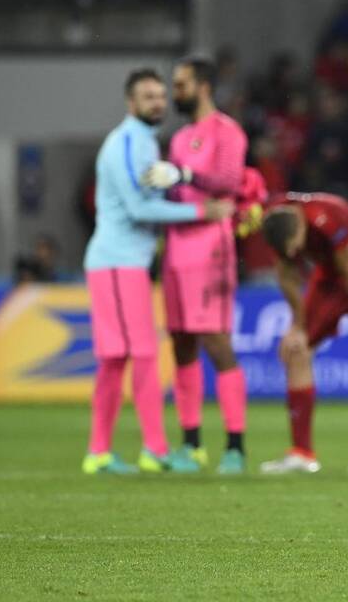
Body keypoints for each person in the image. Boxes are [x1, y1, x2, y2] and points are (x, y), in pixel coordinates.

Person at [82, 68, 234, 474]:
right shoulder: (133, 142)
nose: (158, 103)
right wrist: (203, 210)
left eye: (161, 96)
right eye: (148, 96)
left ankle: (98, 452)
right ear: (130, 102)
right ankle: (155, 449)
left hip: (116, 261)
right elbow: (138, 209)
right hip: (120, 261)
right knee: (144, 354)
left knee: (114, 360)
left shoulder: (138, 141)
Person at [141, 57, 249, 474]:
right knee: (182, 343)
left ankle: (235, 447)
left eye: (181, 84)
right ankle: (192, 445)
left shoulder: (227, 131)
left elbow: (229, 183)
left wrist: (184, 172)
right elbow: (179, 194)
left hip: (211, 250)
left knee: (217, 343)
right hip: (177, 249)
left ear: (203, 86)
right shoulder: (181, 136)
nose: (175, 92)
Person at [256, 192, 348, 475]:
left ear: (301, 228)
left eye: (297, 247)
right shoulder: (274, 219)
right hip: (329, 276)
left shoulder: (328, 216)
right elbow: (285, 272)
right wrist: (296, 324)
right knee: (297, 349)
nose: (296, 254)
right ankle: (301, 453)